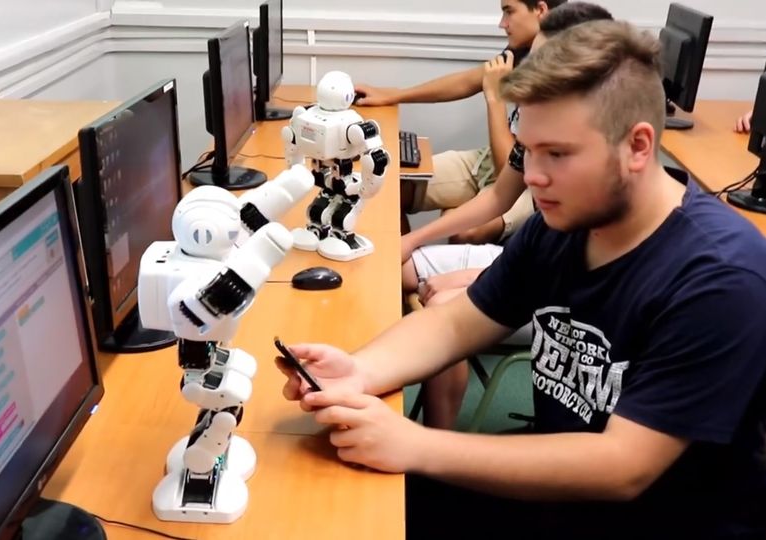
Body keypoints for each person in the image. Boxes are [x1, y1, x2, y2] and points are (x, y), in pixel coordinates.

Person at [278, 20, 766, 538]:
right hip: (564, 495)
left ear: (638, 146)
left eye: (557, 153)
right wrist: (360, 370)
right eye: (528, 149)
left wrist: (417, 445)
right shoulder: (560, 226)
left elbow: (625, 465)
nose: (532, 175)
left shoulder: (721, 279)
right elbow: (457, 324)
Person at [404, 1, 614, 430]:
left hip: (559, 296)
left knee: (441, 305)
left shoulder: (603, 172)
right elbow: (500, 195)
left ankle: (435, 443)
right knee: (399, 268)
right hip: (531, 270)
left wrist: (474, 278)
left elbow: (575, 274)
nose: (534, 174)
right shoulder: (542, 134)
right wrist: (411, 240)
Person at [357, 0, 567, 241]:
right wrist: (394, 95)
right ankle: (397, 260)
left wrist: (494, 98)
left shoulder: (563, 75)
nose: (502, 24)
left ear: (540, 10)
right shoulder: (523, 51)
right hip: (491, 159)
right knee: (387, 188)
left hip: (526, 185)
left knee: (463, 233)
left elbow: (508, 174)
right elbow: (468, 81)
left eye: (509, 11)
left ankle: (407, 257)